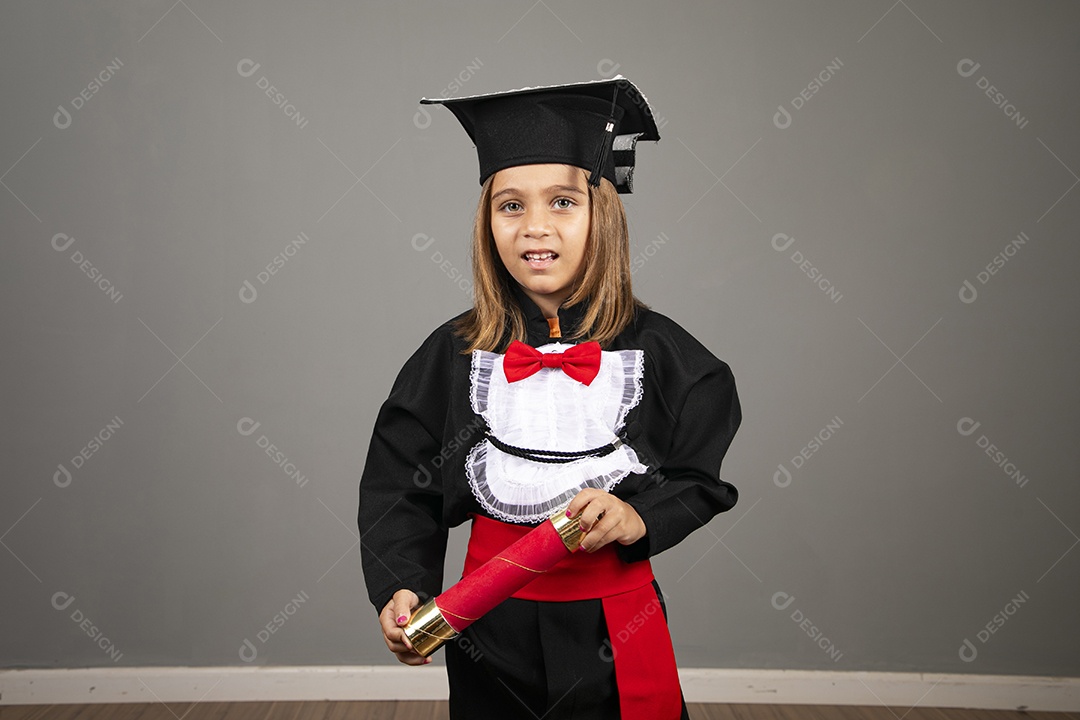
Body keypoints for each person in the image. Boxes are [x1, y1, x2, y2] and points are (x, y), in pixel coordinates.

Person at [357, 76, 742, 720]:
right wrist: (401, 584)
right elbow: (401, 481)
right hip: (488, 627)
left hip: (615, 628)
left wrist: (638, 518)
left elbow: (696, 477)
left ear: (603, 213)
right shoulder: (452, 353)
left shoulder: (665, 355)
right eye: (511, 206)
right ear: (487, 222)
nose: (535, 227)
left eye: (562, 202)